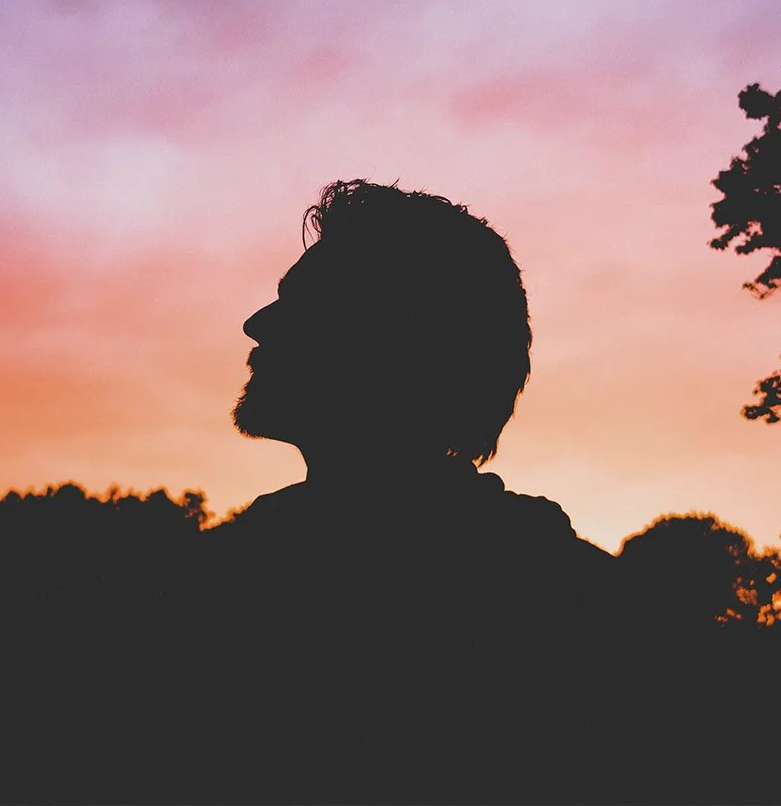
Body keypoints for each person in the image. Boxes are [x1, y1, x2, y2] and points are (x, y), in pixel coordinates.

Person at [189, 180, 627, 802]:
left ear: (392, 344)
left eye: (304, 305)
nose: (257, 324)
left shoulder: (228, 596)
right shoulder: (583, 601)